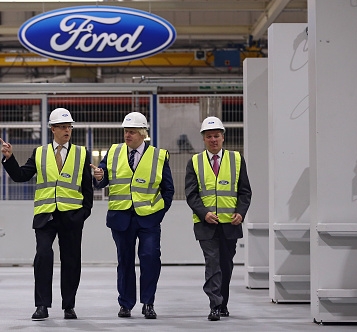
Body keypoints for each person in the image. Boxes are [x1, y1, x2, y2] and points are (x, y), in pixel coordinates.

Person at [0, 107, 93, 321]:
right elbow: (21, 176)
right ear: (52, 129)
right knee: (43, 257)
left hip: (71, 216)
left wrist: (84, 212)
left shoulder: (81, 153)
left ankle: (69, 305)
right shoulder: (39, 152)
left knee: (71, 261)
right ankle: (42, 305)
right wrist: (9, 158)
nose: (67, 130)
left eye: (69, 126)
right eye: (62, 126)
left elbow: (87, 188)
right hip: (45, 215)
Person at [91, 111, 174, 319]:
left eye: (132, 132)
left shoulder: (158, 155)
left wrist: (159, 213)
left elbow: (168, 189)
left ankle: (148, 303)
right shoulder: (113, 152)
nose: (127, 135)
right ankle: (126, 304)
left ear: (143, 133)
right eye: (126, 131)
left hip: (149, 218)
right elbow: (101, 178)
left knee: (150, 259)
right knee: (125, 261)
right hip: (121, 218)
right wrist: (98, 177)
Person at [184, 116, 252, 321]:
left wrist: (241, 212)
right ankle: (215, 305)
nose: (213, 139)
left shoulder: (237, 159)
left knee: (226, 264)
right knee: (212, 263)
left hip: (230, 224)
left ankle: (223, 303)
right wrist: (204, 213)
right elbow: (191, 194)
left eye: (216, 136)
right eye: (209, 136)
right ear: (203, 139)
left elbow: (245, 191)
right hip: (206, 224)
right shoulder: (194, 162)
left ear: (223, 137)